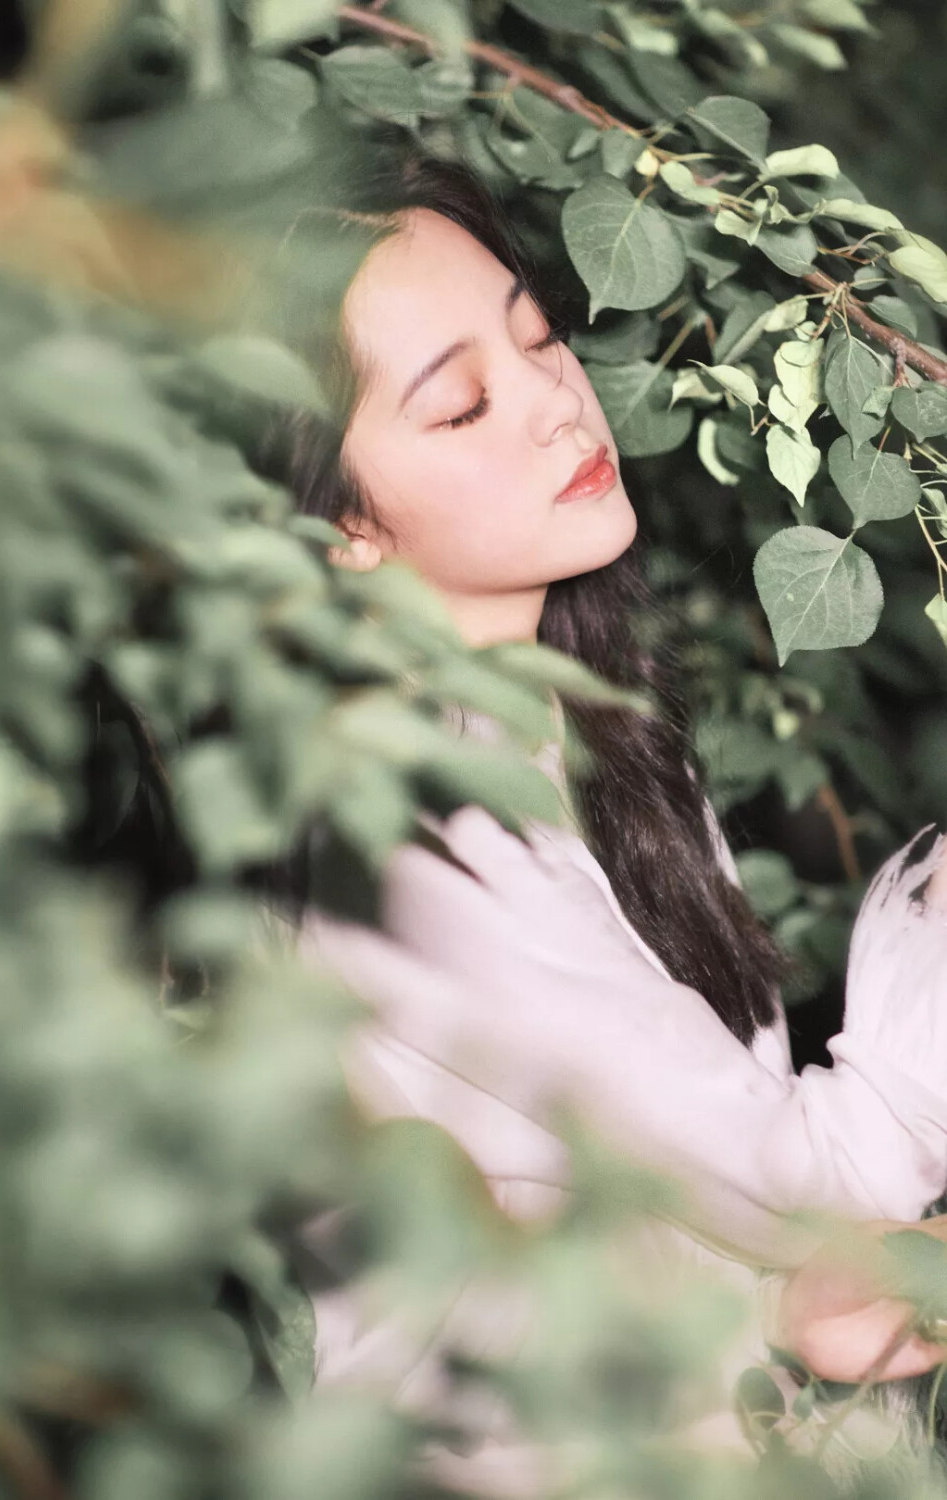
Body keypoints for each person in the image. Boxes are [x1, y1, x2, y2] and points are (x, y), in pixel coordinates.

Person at [257, 142, 947, 1484]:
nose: (560, 409)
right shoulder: (416, 823)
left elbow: (600, 1205)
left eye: (542, 338)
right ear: (343, 529)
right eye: (461, 406)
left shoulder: (569, 727)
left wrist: (779, 1308)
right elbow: (834, 1173)